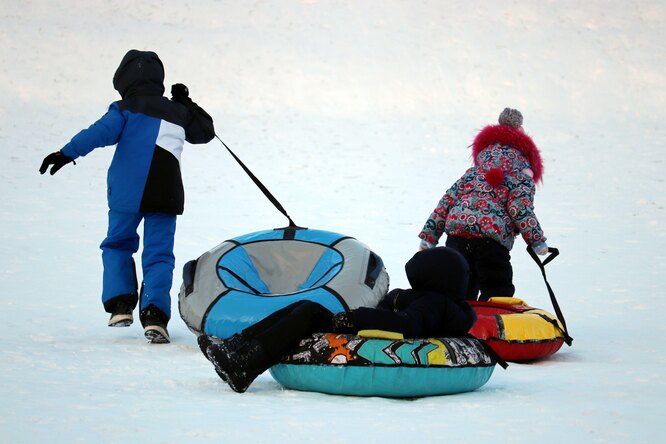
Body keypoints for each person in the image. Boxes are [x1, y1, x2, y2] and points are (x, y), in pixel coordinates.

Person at [39, 49, 215, 343]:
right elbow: (205, 132)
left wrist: (66, 153)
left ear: (123, 80)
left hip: (126, 192)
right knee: (159, 254)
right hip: (165, 192)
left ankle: (121, 305)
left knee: (118, 244)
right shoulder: (177, 111)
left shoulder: (124, 108)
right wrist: (187, 102)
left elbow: (97, 133)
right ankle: (155, 316)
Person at [198, 246, 477, 393]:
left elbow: (408, 325)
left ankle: (246, 365)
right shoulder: (434, 299)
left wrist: (355, 320)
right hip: (366, 327)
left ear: (435, 276)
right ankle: (237, 346)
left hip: (370, 335)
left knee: (308, 312)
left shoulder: (434, 302)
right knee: (306, 305)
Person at [418, 108, 548, 301]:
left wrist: (429, 237)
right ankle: (494, 326)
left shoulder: (473, 171)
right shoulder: (520, 175)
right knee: (497, 289)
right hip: (490, 240)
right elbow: (519, 209)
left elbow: (446, 202)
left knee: (458, 287)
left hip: (457, 236)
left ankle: (457, 324)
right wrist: (537, 241)